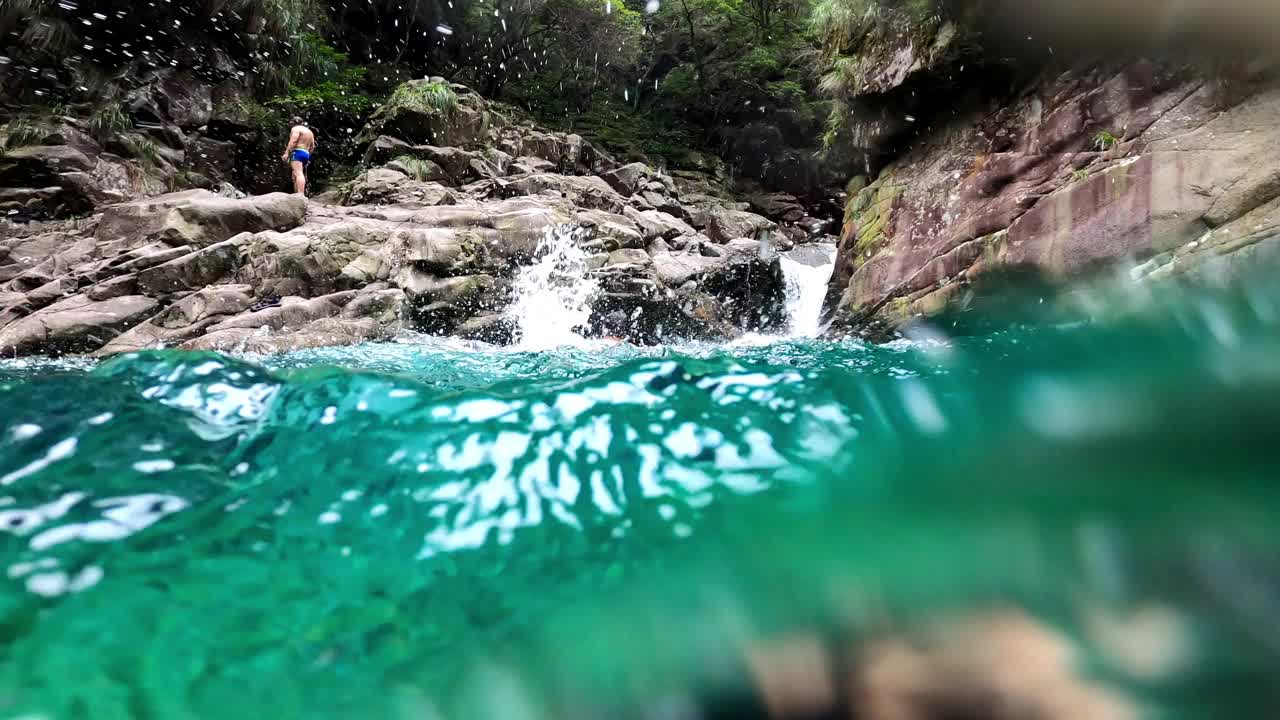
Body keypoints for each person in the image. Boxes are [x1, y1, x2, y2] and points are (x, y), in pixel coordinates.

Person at [280, 117, 316, 195]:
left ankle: (300, 194)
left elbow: (293, 141)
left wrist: (287, 152)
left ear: (293, 123)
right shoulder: (309, 132)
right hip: (305, 153)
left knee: (298, 173)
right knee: (294, 175)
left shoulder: (296, 129)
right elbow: (313, 146)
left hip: (298, 151)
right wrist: (308, 156)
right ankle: (297, 194)